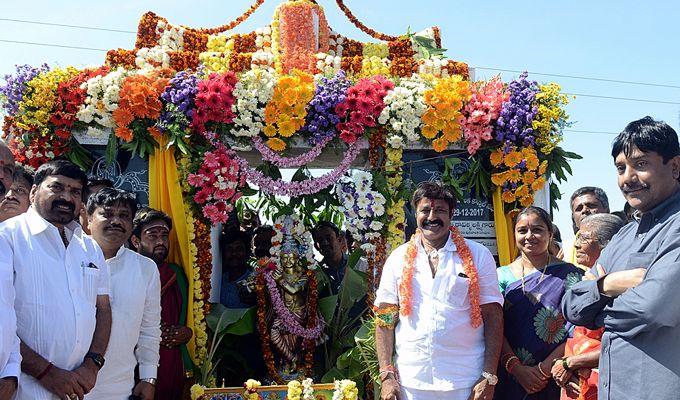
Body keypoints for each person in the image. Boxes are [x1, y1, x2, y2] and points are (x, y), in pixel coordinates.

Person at [562, 116, 680, 400]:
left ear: (674, 167)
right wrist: (607, 286)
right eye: (620, 168)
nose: (628, 177)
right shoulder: (623, 237)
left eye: (641, 164)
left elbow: (651, 310)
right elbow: (571, 305)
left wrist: (596, 310)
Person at [375, 181, 504, 400]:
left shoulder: (479, 255)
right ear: (415, 214)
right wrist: (387, 376)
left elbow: (493, 315)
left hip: (465, 380)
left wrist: (489, 375)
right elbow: (385, 319)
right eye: (425, 210)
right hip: (411, 379)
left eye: (440, 210)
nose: (432, 217)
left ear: (451, 214)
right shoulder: (397, 258)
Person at [0, 160, 112, 400]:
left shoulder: (90, 248)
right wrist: (47, 373)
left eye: (75, 192)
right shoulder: (7, 238)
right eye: (57, 188)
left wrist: (93, 364)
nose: (67, 197)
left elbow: (103, 310)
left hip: (79, 389)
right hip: (24, 388)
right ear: (33, 191)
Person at [496, 206, 583, 400]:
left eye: (537, 229)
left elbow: (577, 330)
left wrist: (543, 370)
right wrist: (516, 368)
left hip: (557, 374)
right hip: (510, 376)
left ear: (550, 234)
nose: (529, 236)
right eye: (522, 231)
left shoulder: (571, 275)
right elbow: (494, 328)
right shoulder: (500, 276)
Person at [85, 188, 161, 400]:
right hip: (67, 384)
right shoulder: (69, 258)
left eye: (124, 216)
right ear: (88, 218)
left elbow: (149, 328)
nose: (116, 221)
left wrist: (148, 378)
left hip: (119, 387)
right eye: (107, 214)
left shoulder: (145, 268)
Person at [551, 213, 624, 400]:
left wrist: (570, 363)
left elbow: (621, 345)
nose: (576, 245)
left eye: (583, 238)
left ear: (608, 245)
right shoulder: (586, 279)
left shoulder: (622, 282)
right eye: (577, 237)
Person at [130, 208, 192, 400]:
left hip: (172, 361)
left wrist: (186, 332)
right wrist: (154, 332)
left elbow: (185, 315)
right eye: (152, 235)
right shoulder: (127, 272)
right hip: (135, 365)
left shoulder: (176, 273)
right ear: (135, 241)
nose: (160, 242)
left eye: (165, 236)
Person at [312, 221, 367, 297]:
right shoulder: (316, 274)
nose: (325, 242)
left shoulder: (360, 264)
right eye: (320, 240)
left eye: (329, 238)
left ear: (339, 239)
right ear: (316, 246)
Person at [559, 187, 609, 265]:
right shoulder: (566, 251)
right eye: (579, 208)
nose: (585, 210)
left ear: (607, 210)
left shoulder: (622, 240)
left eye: (591, 205)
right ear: (574, 218)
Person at [219, 229, 255, 308]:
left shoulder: (256, 281)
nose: (234, 253)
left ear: (247, 252)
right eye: (229, 249)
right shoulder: (218, 280)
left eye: (239, 249)